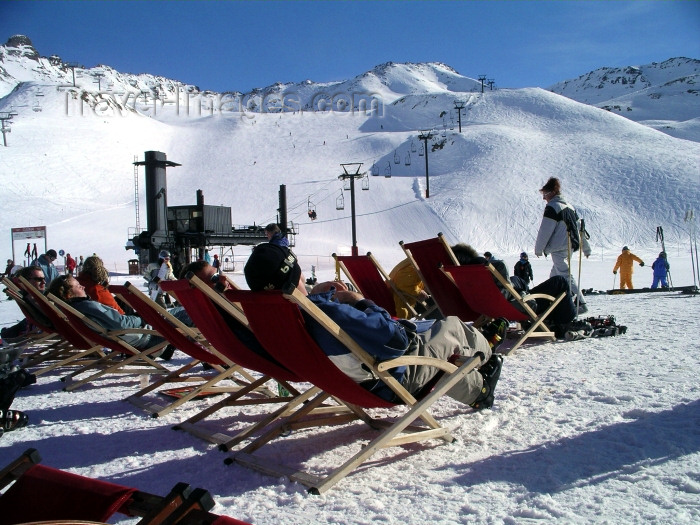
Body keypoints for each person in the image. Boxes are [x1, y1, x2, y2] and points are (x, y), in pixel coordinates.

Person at [244, 243, 505, 410]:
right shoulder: (326, 313)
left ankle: (479, 362)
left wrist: (316, 296)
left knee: (440, 343)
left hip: (353, 383)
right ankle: (483, 374)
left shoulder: (280, 318)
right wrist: (356, 300)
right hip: (392, 378)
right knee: (452, 328)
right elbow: (396, 341)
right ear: (295, 272)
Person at [452, 243, 578, 337]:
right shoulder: (482, 267)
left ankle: (551, 320)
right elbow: (504, 293)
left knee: (519, 281)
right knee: (560, 282)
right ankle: (566, 322)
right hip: (520, 306)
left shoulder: (461, 276)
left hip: (495, 308)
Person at [47, 275, 168, 352]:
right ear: (68, 295)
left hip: (136, 337)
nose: (83, 287)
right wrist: (143, 318)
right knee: (182, 314)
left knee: (179, 316)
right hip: (148, 337)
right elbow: (121, 323)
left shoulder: (74, 308)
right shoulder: (87, 306)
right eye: (78, 286)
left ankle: (172, 347)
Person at [534, 177, 591, 315]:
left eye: (545, 195)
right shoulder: (570, 207)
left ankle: (580, 303)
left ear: (553, 192)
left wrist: (539, 248)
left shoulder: (553, 207)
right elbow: (580, 229)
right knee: (555, 276)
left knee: (564, 275)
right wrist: (586, 248)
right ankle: (554, 303)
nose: (544, 198)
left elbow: (545, 230)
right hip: (570, 246)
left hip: (559, 247)